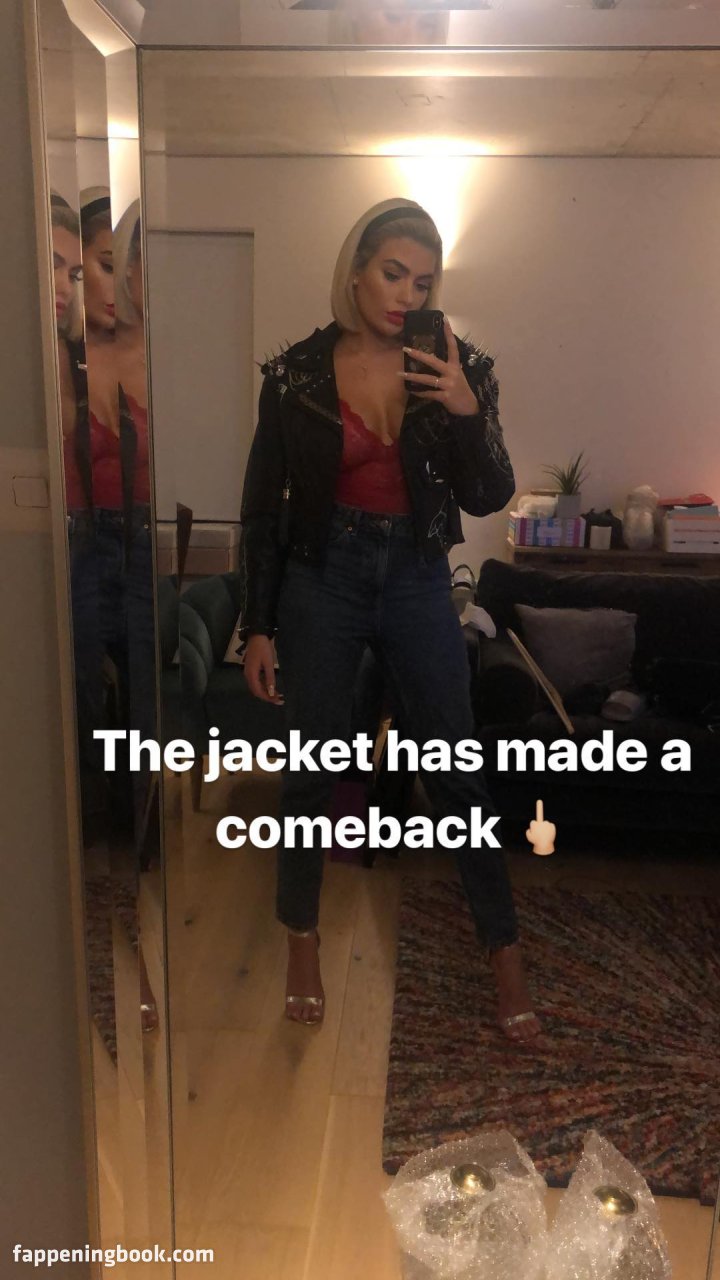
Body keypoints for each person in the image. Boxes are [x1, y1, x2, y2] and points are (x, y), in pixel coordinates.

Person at [240, 197, 540, 1042]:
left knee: (456, 768)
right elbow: (262, 507)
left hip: (415, 575)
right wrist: (257, 624)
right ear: (356, 272)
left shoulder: (457, 365)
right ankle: (302, 939)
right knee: (312, 768)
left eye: (423, 282)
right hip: (322, 576)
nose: (406, 295)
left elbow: (489, 493)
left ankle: (504, 953)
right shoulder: (296, 375)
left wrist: (465, 408)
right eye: (392, 273)